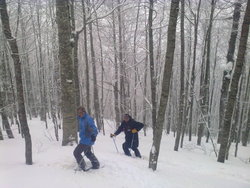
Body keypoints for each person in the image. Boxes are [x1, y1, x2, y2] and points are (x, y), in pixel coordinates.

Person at [73, 106, 100, 171]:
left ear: (84, 111)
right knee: (87, 152)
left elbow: (94, 128)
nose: (79, 113)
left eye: (81, 112)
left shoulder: (88, 119)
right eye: (78, 112)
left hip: (87, 139)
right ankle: (96, 164)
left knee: (76, 152)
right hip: (84, 139)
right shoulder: (81, 118)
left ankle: (83, 166)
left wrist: (93, 135)